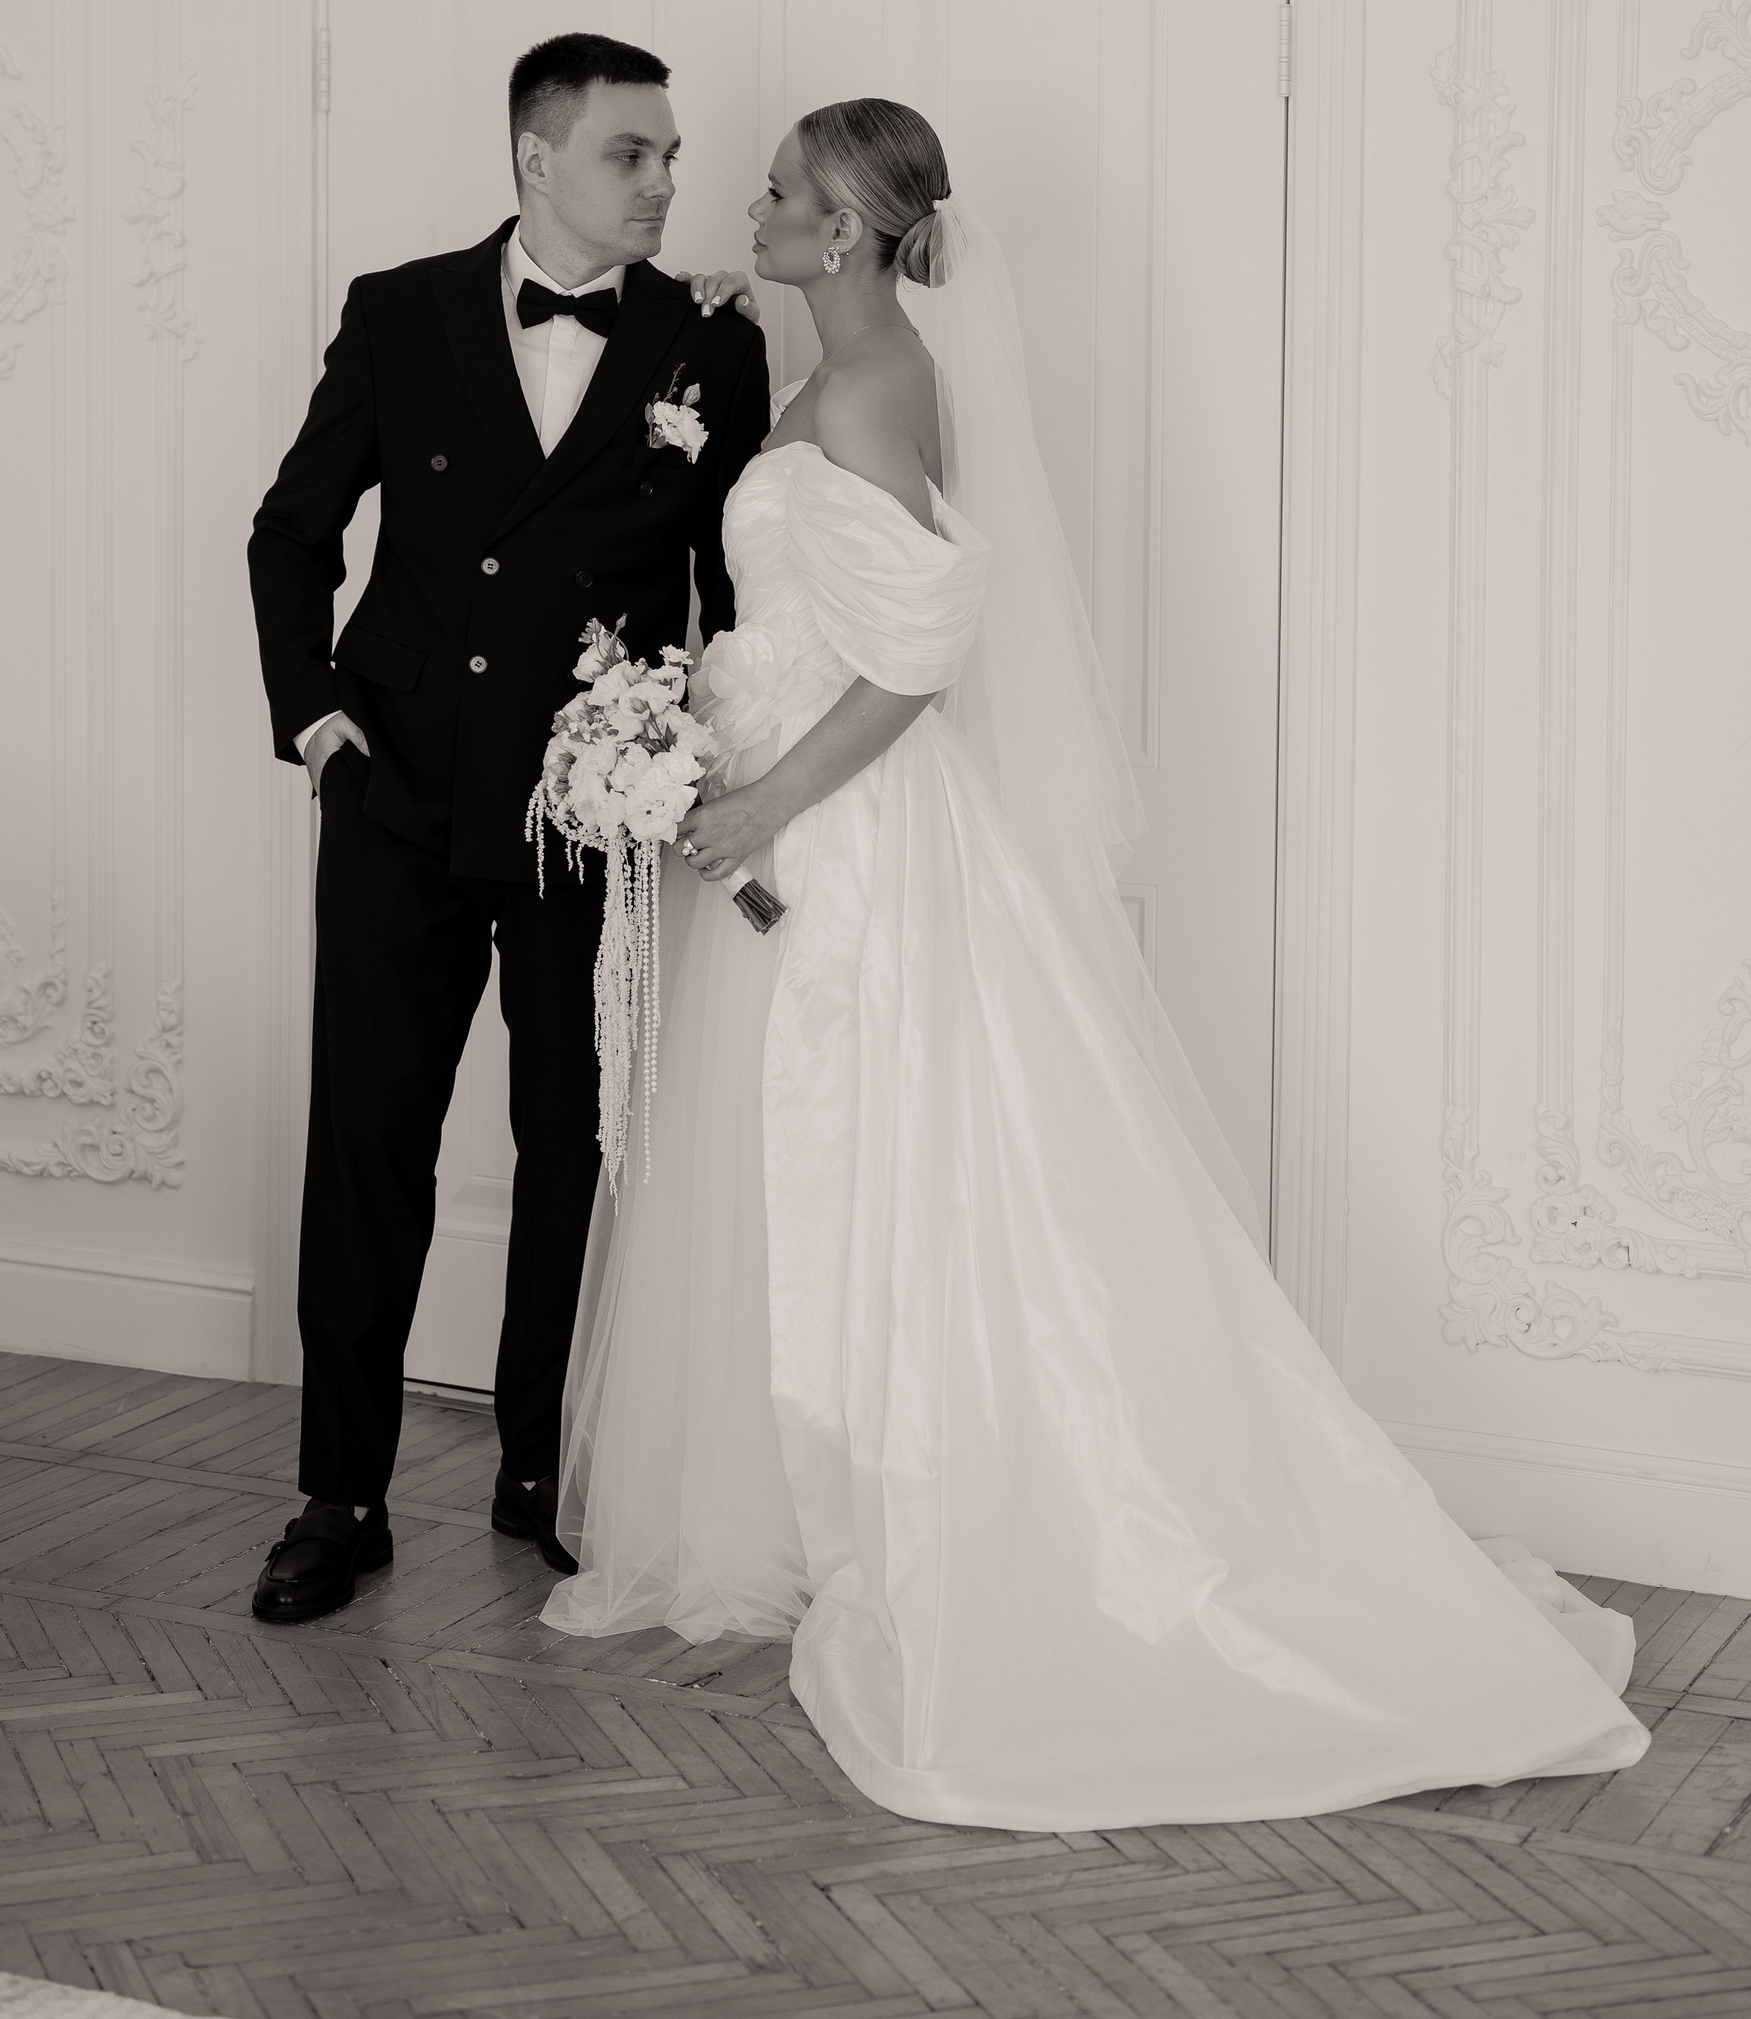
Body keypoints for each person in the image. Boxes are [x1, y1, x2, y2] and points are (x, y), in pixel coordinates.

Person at [542, 97, 1648, 1829]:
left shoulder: (877, 382)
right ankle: (802, 1486)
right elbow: (818, 611)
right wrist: (688, 730)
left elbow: (915, 660)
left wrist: (758, 804)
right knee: (802, 1157)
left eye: (775, 192)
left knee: (875, 1147)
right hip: (787, 820)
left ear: (846, 230)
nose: (744, 207)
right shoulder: (832, 369)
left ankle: (941, 1490)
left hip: (847, 834)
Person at [246, 34, 769, 1622]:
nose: (664, 180)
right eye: (632, 152)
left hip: (589, 818)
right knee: (367, 1142)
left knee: (573, 1146)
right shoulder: (399, 311)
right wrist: (315, 717)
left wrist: (698, 765)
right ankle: (339, 1494)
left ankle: (544, 1466)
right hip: (399, 794)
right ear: (539, 158)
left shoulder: (708, 344)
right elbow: (293, 527)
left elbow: (735, 589)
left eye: (671, 154)